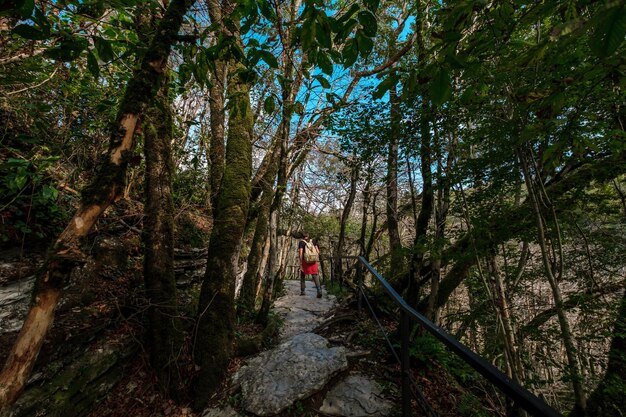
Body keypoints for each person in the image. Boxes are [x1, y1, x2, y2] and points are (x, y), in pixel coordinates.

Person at [298, 232, 322, 298]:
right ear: (308, 235)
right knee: (315, 275)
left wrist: (300, 262)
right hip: (313, 261)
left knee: (303, 275)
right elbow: (318, 252)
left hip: (305, 261)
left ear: (302, 236)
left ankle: (303, 291)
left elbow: (300, 253)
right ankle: (319, 291)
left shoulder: (301, 242)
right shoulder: (313, 241)